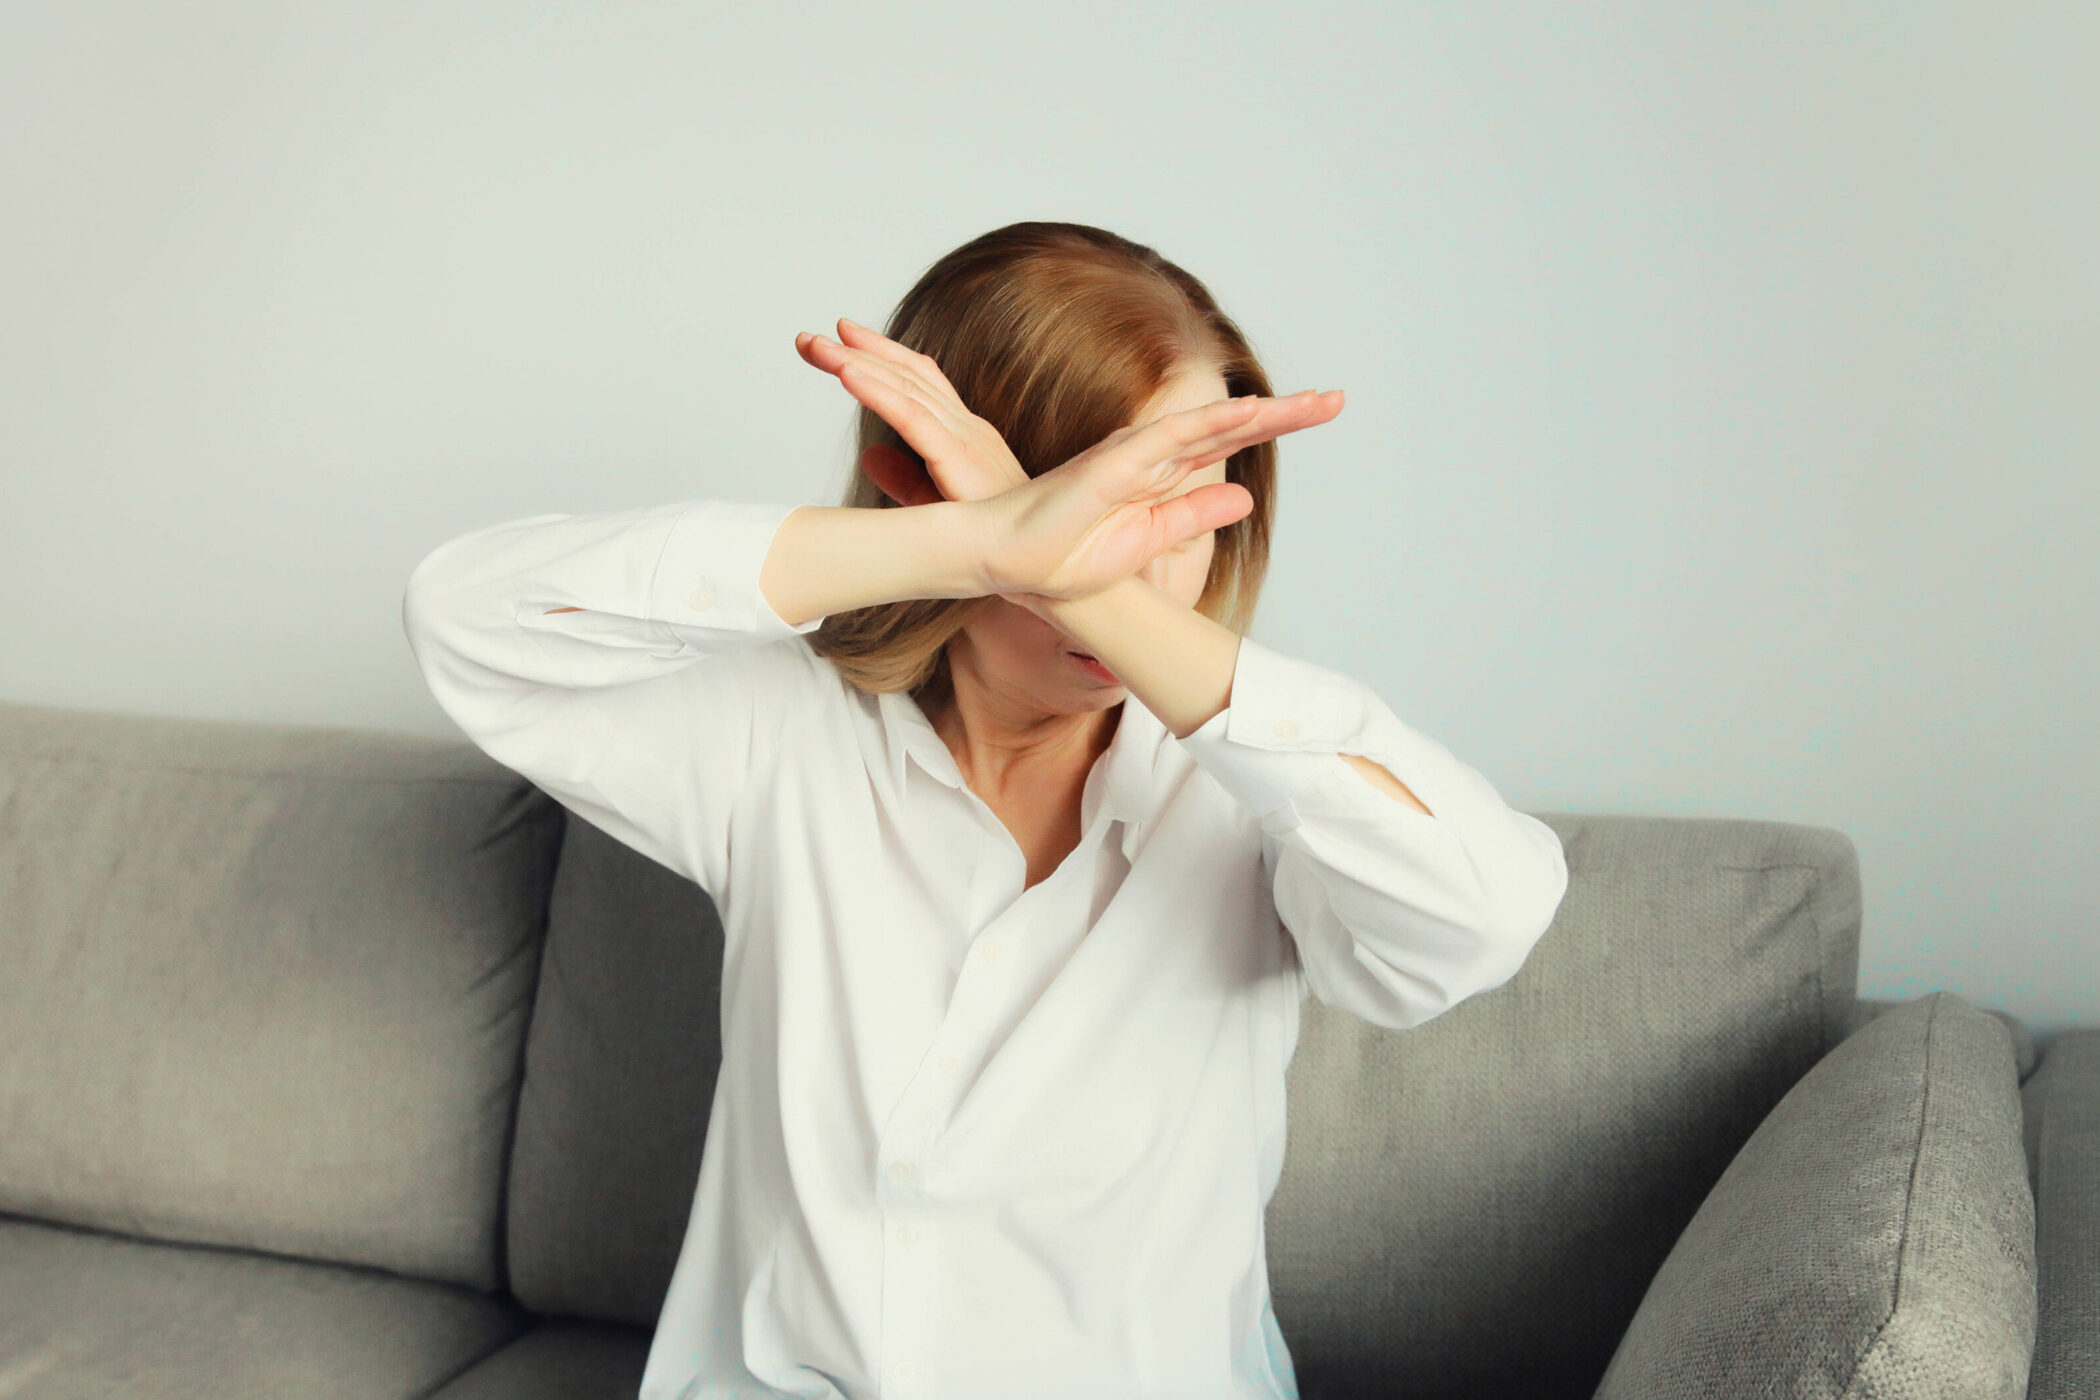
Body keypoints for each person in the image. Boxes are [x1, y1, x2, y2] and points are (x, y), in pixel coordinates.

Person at [401, 222, 1569, 1400]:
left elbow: (1483, 918)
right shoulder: (782, 738)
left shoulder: (1269, 796)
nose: (1147, 558)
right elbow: (466, 621)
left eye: (1184, 499)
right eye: (1084, 494)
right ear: (934, 484)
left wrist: (1081, 584)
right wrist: (975, 541)